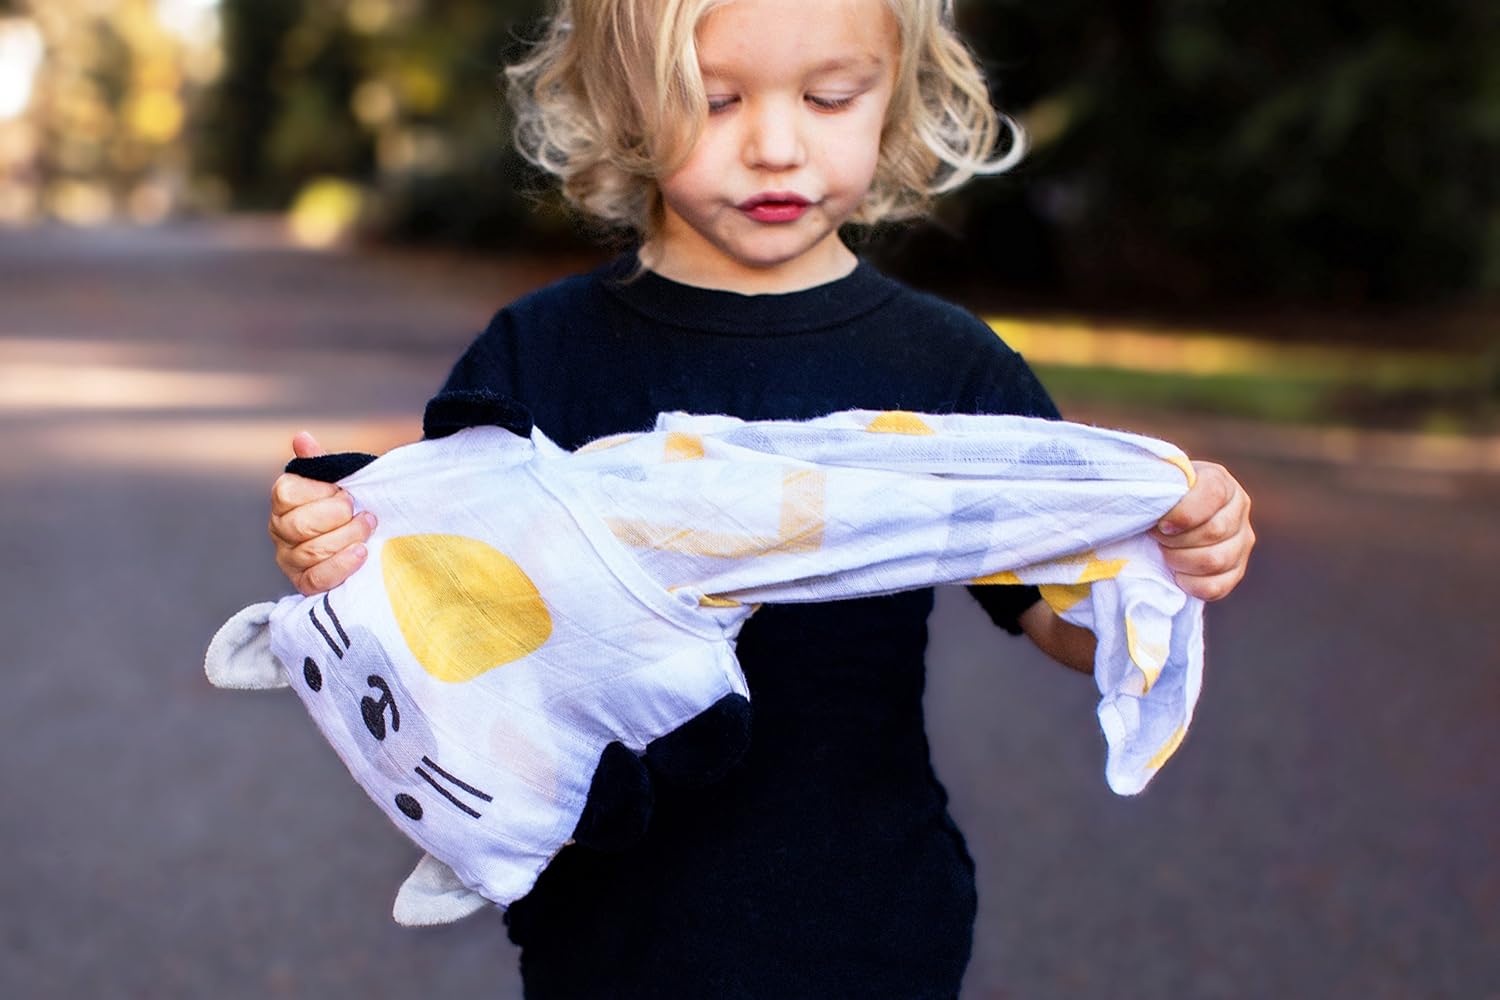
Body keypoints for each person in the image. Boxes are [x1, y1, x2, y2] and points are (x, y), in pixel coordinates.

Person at [267, 0, 1255, 995]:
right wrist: (336, 548)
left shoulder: (947, 368)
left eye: (830, 96)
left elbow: (1064, 622)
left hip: (872, 922)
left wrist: (1163, 558)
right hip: (610, 935)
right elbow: (447, 622)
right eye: (716, 99)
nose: (777, 145)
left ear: (897, 92)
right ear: (626, 100)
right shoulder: (539, 357)